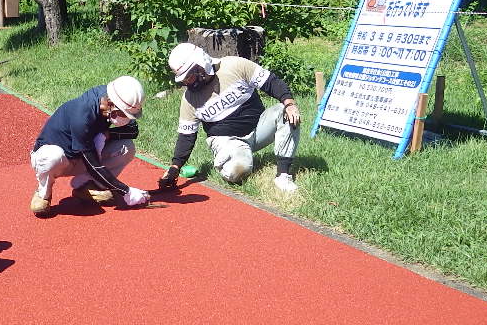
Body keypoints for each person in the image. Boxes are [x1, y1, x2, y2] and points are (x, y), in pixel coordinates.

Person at [157, 43, 302, 194]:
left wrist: (289, 103)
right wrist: (175, 167)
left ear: (202, 65)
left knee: (285, 111)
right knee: (238, 171)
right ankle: (234, 158)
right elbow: (186, 136)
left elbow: (271, 82)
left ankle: (283, 175)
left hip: (258, 128)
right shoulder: (189, 99)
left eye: (189, 76)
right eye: (184, 79)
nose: (187, 82)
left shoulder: (235, 65)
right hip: (227, 140)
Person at [29, 76, 149, 217]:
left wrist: (105, 134)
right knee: (53, 157)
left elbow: (132, 131)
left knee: (127, 147)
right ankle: (43, 192)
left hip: (82, 155)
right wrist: (125, 191)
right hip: (57, 159)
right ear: (110, 103)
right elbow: (93, 166)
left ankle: (86, 187)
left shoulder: (111, 99)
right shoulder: (83, 116)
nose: (126, 118)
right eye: (124, 113)